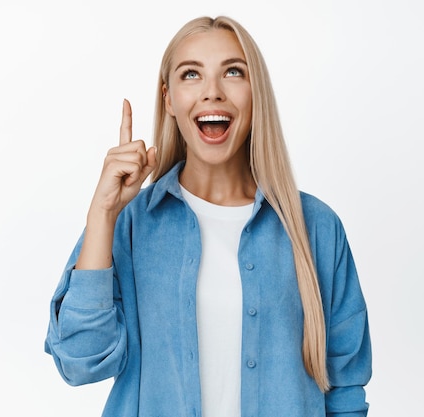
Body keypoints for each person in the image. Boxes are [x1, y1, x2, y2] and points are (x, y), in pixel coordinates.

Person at [44, 15, 371, 417]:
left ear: (256, 93)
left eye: (233, 72)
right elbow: (80, 361)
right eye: (191, 75)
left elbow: (345, 390)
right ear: (169, 99)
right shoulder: (129, 224)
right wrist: (101, 214)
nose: (212, 92)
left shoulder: (317, 229)